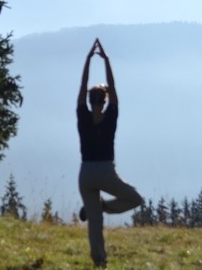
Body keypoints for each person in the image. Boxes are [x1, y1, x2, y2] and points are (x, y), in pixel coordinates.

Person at [77, 38, 143, 267]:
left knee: (94, 223)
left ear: (88, 99)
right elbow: (112, 87)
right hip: (105, 171)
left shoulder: (82, 117)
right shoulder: (111, 117)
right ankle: (103, 206)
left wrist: (88, 60)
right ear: (105, 101)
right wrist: (106, 60)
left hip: (85, 173)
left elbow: (82, 83)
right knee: (135, 199)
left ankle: (100, 261)